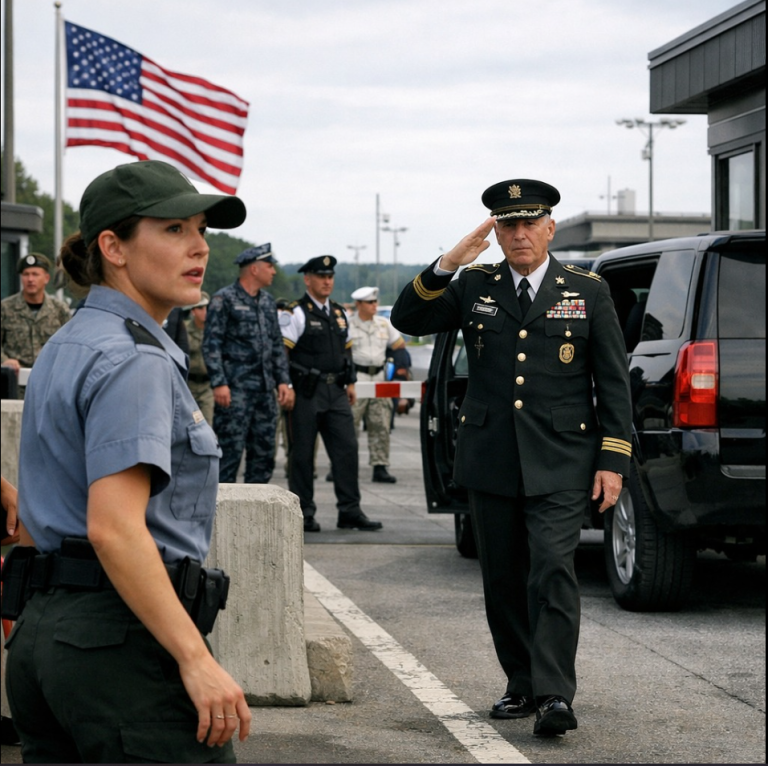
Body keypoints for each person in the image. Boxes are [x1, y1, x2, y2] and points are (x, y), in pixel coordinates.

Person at [3, 159, 251, 762]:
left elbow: (38, 513)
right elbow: (114, 528)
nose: (197, 248)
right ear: (112, 246)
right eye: (173, 230)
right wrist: (195, 659)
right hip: (121, 649)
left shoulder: (68, 344)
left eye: (200, 230)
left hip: (45, 638)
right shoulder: (135, 359)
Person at [390, 179, 631, 737]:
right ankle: (520, 683)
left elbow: (613, 384)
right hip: (492, 456)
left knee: (552, 568)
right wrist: (450, 261)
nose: (519, 234)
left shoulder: (586, 290)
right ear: (494, 232)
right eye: (508, 225)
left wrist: (612, 460)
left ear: (551, 227)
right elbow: (407, 318)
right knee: (503, 578)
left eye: (529, 223)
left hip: (562, 458)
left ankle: (553, 696)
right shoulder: (473, 285)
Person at [280, 256, 383, 533]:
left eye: (330, 276)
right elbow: (282, 353)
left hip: (336, 391)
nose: (327, 281)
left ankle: (349, 511)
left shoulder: (338, 313)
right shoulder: (295, 313)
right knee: (301, 454)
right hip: (305, 392)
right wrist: (285, 385)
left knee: (347, 450)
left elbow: (346, 349)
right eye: (321, 276)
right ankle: (303, 513)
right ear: (308, 279)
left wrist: (350, 382)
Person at [203, 243, 294, 484]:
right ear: (254, 269)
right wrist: (219, 382)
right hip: (235, 393)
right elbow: (212, 344)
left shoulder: (266, 302)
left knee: (263, 456)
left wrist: (283, 381)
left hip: (264, 393)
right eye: (269, 266)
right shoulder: (224, 299)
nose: (273, 271)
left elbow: (276, 344)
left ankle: (256, 516)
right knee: (228, 455)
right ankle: (221, 517)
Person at [348, 286, 405, 483]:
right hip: (357, 378)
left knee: (380, 423)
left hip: (379, 377)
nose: (375, 305)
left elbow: (399, 347)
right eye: (370, 302)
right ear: (358, 305)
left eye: (375, 302)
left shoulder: (383, 324)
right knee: (349, 426)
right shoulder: (348, 325)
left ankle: (380, 466)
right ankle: (344, 466)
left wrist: (395, 369)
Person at [1, 254, 71, 395]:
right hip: (14, 389)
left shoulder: (59, 310)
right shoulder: (5, 308)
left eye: (35, 274)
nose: (30, 279)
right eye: (26, 274)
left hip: (49, 387)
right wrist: (5, 361)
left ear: (46, 278)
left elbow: (71, 346)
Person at [185, 291, 214, 425]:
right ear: (193, 311)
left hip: (207, 386)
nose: (205, 312)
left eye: (206, 308)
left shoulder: (214, 330)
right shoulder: (184, 330)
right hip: (189, 385)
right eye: (200, 308)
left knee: (207, 425)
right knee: (188, 424)